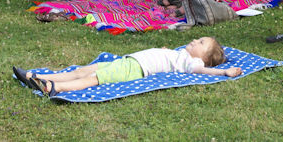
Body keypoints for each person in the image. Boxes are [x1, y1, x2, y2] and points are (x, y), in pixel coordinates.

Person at [13, 37, 240, 98]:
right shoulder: (181, 54)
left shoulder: (195, 63)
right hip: (128, 61)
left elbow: (201, 72)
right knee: (85, 69)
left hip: (135, 68)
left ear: (205, 58)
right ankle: (37, 75)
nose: (195, 41)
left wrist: (223, 72)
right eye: (199, 38)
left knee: (94, 78)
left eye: (201, 44)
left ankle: (53, 87)